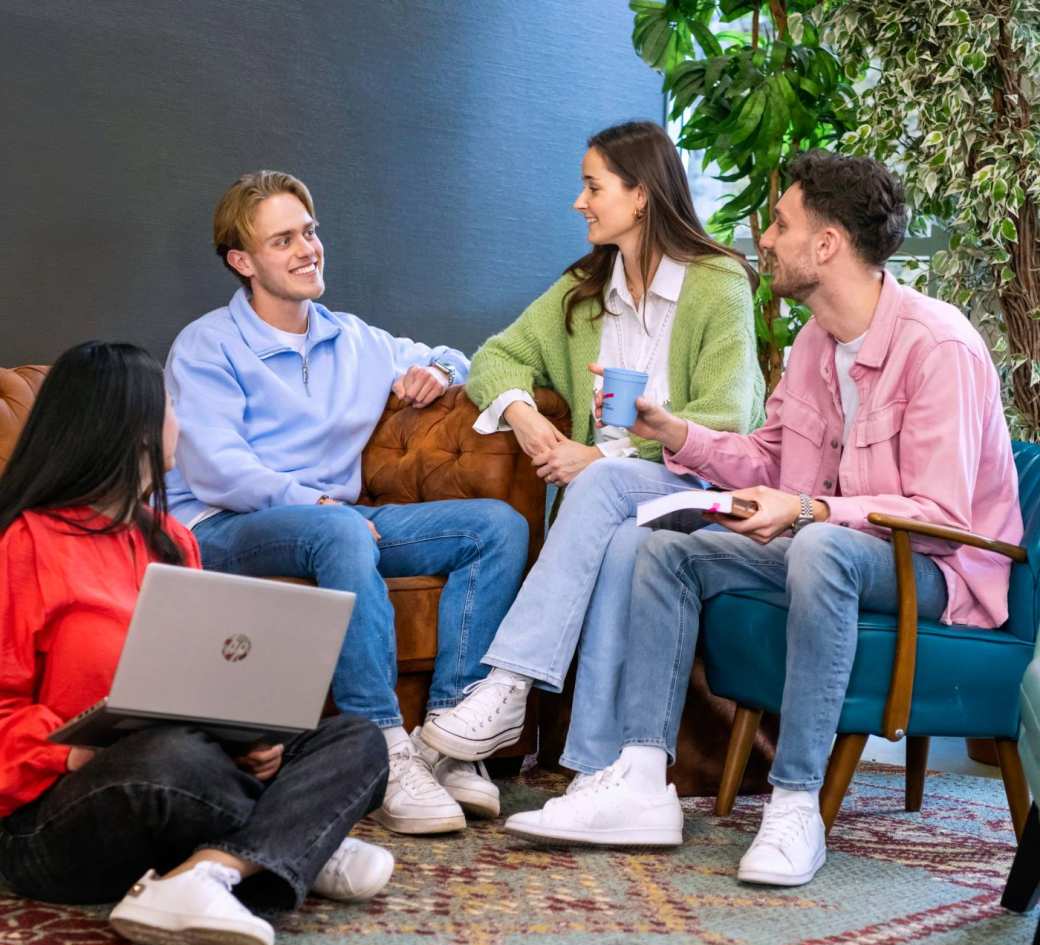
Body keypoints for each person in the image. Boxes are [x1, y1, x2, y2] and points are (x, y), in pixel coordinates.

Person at [499, 151, 1023, 886]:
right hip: (832, 543)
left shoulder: (939, 346)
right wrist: (672, 431)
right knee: (664, 552)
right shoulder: (815, 342)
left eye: (781, 224)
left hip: (935, 569)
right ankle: (644, 777)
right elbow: (771, 456)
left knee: (821, 550)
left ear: (827, 245)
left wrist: (809, 509)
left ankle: (796, 802)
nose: (765, 239)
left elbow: (938, 515)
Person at [0, 341, 395, 945]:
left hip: (185, 777)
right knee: (167, 756)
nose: (180, 424)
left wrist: (248, 742)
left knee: (356, 741)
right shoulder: (23, 544)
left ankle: (206, 872)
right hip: (53, 818)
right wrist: (77, 752)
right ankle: (290, 841)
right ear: (130, 430)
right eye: (171, 408)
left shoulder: (174, 539)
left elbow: (200, 681)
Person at [165, 171, 529, 836]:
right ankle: (383, 745)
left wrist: (440, 372)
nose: (308, 249)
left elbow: (455, 356)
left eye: (310, 231)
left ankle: (448, 743)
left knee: (497, 526)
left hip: (340, 525)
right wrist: (320, 503)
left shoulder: (355, 340)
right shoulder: (207, 344)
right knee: (341, 532)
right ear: (243, 262)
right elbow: (217, 470)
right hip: (223, 528)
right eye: (284, 240)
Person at [421, 121, 764, 777]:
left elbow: (730, 415)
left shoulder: (717, 282)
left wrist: (603, 460)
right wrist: (523, 417)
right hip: (610, 510)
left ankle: (507, 685)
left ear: (640, 195)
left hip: (695, 488)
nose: (580, 201)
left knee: (600, 488)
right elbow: (497, 356)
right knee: (624, 542)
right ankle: (593, 770)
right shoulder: (586, 288)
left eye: (592, 186)